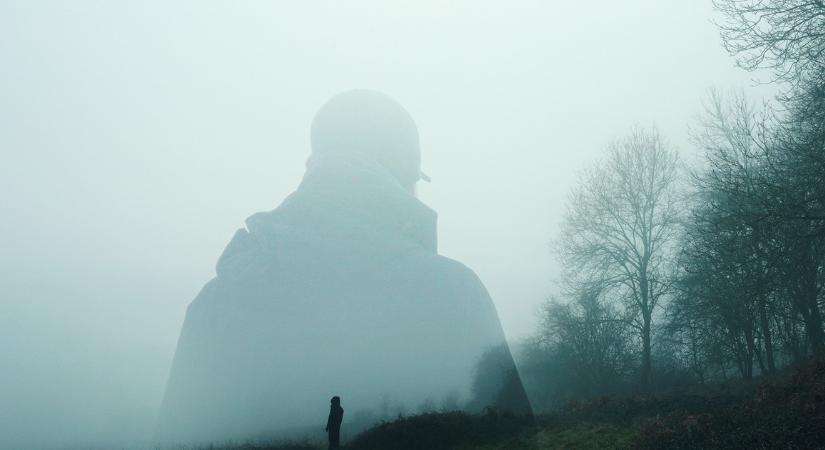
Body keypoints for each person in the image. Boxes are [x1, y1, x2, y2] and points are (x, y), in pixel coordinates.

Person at [156, 90, 531, 445]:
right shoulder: (454, 293)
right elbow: (520, 440)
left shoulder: (215, 305)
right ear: (401, 176)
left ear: (313, 167)